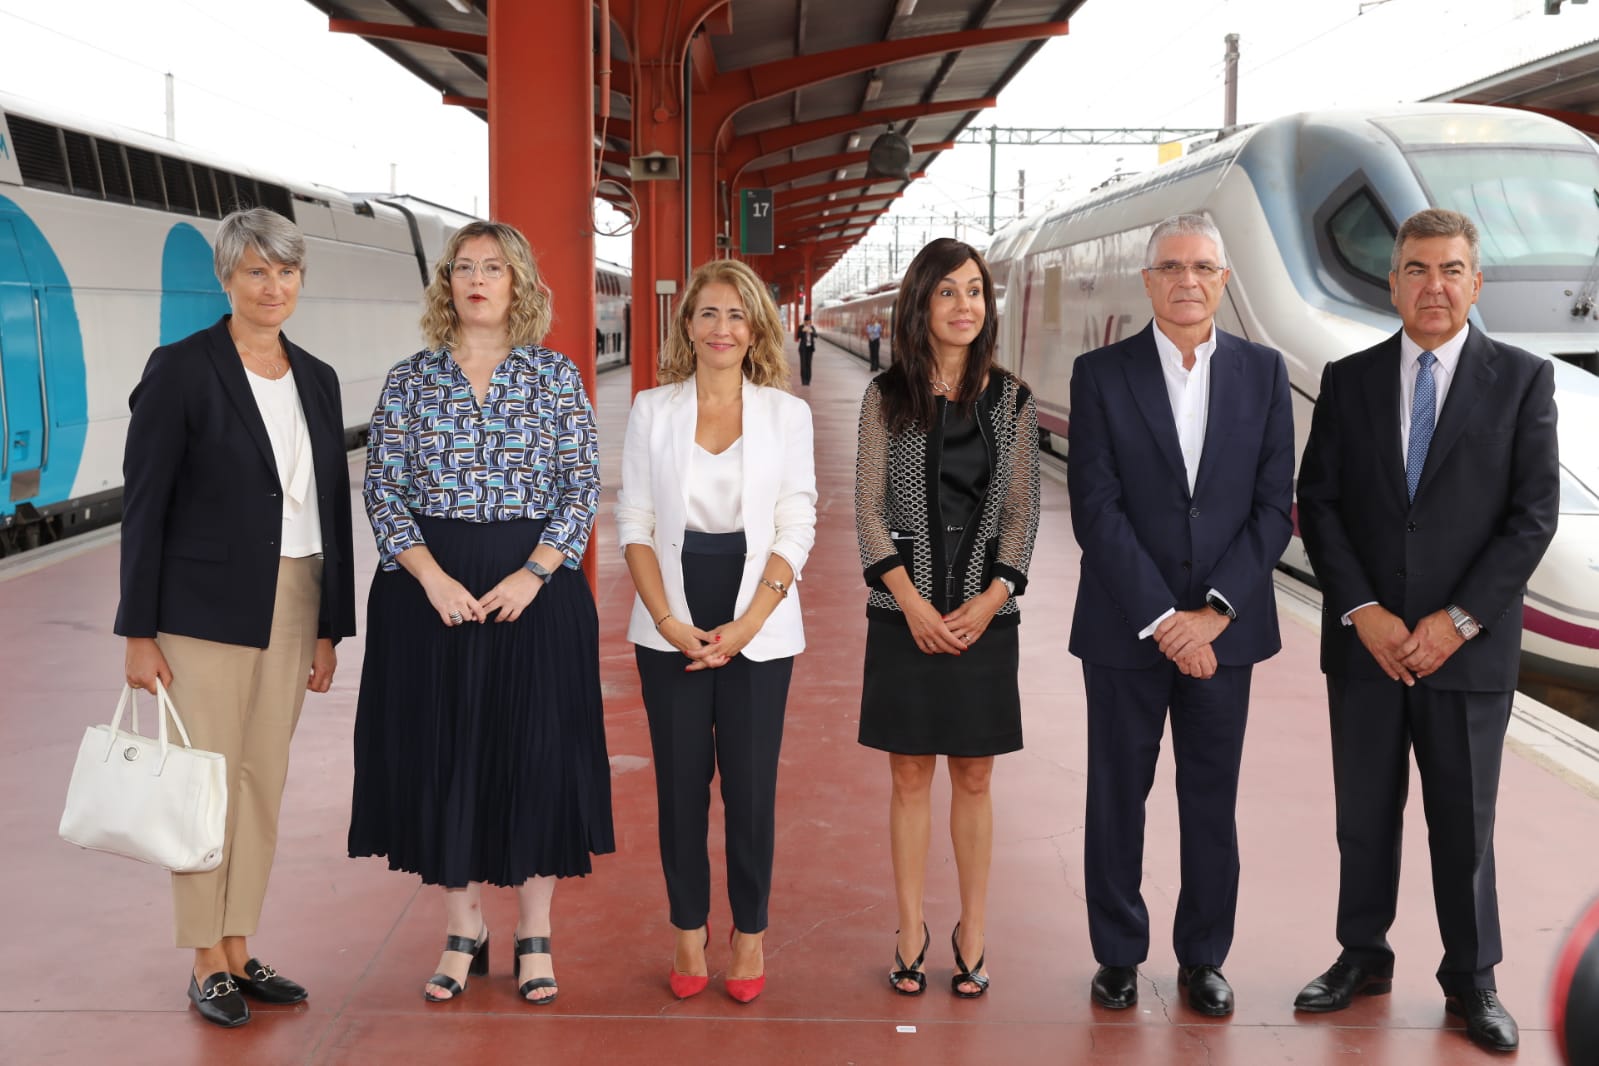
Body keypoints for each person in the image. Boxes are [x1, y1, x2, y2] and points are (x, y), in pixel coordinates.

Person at [1293, 207, 1558, 1053]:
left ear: (1474, 284)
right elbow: (1321, 506)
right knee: (1362, 814)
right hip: (1366, 646)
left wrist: (1456, 620)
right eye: (1415, 269)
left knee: (1462, 819)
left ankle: (1471, 978)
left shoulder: (1521, 381)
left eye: (1449, 270)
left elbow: (1531, 518)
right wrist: (1362, 611)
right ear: (1393, 281)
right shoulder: (1348, 380)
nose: (1432, 286)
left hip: (1467, 651)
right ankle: (1360, 956)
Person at [347, 220, 614, 1006]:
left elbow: (580, 485)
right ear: (446, 285)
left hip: (532, 593)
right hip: (429, 595)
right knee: (442, 754)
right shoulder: (410, 380)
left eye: (493, 268)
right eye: (463, 267)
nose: (476, 279)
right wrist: (426, 576)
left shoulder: (555, 377)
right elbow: (382, 486)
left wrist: (535, 573)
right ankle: (463, 926)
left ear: (519, 284)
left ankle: (534, 933)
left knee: (533, 754)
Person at [115, 207, 357, 1028]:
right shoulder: (182, 369)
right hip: (201, 611)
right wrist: (137, 630)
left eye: (286, 272)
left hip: (293, 598)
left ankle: (240, 944)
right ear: (226, 279)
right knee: (202, 785)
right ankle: (203, 958)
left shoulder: (316, 377)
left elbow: (330, 502)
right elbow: (144, 504)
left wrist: (329, 623)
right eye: (256, 271)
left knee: (261, 781)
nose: (273, 287)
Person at [1066, 213, 1294, 1018]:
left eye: (1202, 266)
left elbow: (1273, 509)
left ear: (1223, 280)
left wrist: (1213, 613)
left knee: (1209, 800)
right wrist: (1166, 617)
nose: (1187, 280)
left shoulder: (1264, 376)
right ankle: (1119, 954)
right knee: (1115, 794)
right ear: (1147, 280)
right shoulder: (1099, 374)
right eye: (1170, 266)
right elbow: (1095, 509)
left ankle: (1202, 958)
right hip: (1126, 627)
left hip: (1225, 633)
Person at [618, 259, 817, 1004]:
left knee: (750, 787)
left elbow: (796, 520)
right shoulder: (651, 409)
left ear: (756, 326)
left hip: (757, 618)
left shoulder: (784, 415)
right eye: (708, 313)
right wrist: (668, 620)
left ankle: (750, 933)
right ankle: (686, 929)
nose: (722, 328)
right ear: (687, 325)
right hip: (667, 610)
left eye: (736, 314)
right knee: (678, 788)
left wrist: (748, 623)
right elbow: (634, 522)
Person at [855, 237, 1041, 999]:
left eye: (975, 291)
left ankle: (971, 929)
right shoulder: (883, 396)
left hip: (983, 620)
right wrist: (912, 602)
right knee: (906, 777)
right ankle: (908, 928)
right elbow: (867, 509)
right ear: (919, 305)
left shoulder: (1014, 400)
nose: (965, 306)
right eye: (947, 292)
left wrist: (989, 600)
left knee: (972, 776)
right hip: (902, 615)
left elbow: (1022, 513)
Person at [797, 315, 818, 386]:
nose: (807, 322)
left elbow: (816, 335)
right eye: (806, 321)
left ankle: (808, 381)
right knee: (803, 365)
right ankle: (803, 381)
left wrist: (811, 332)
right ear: (804, 321)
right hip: (803, 349)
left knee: (808, 365)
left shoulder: (812, 327)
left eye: (808, 321)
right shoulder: (801, 327)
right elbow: (797, 336)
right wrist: (803, 331)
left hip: (810, 349)